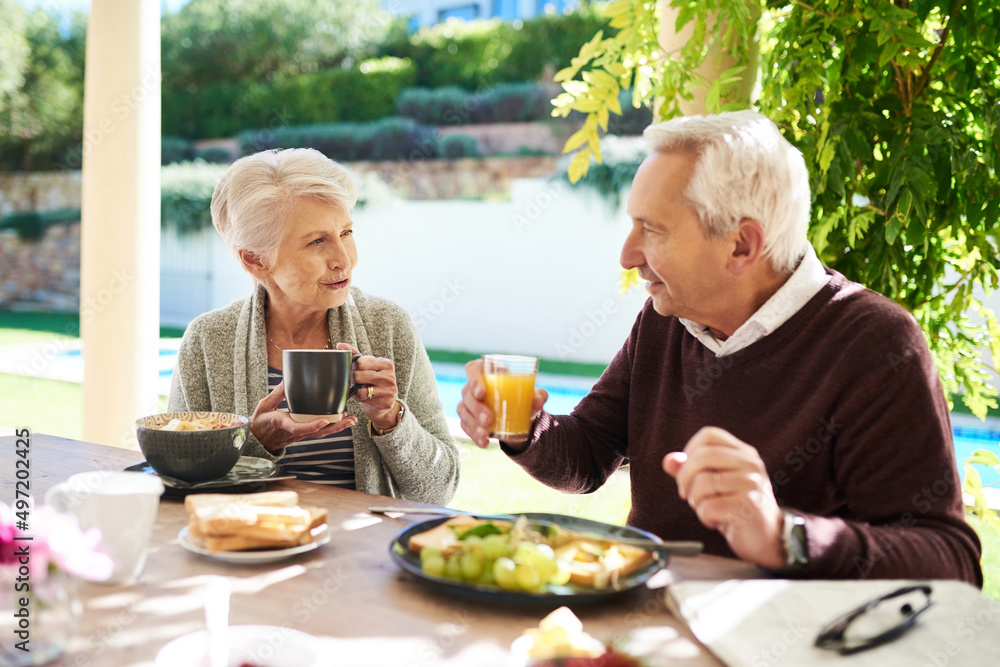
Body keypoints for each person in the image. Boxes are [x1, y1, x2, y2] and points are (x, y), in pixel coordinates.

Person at [458, 110, 982, 583]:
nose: (626, 255)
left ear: (741, 245)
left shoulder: (874, 343)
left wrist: (784, 535)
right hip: (652, 624)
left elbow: (949, 559)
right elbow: (590, 455)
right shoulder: (666, 320)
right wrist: (526, 427)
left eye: (652, 230)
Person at [168, 148, 459, 504]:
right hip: (252, 548)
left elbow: (439, 490)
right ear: (256, 260)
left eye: (346, 232)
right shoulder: (207, 340)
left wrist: (391, 419)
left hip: (363, 549)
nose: (343, 260)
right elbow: (180, 480)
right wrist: (258, 443)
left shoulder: (388, 325)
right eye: (317, 241)